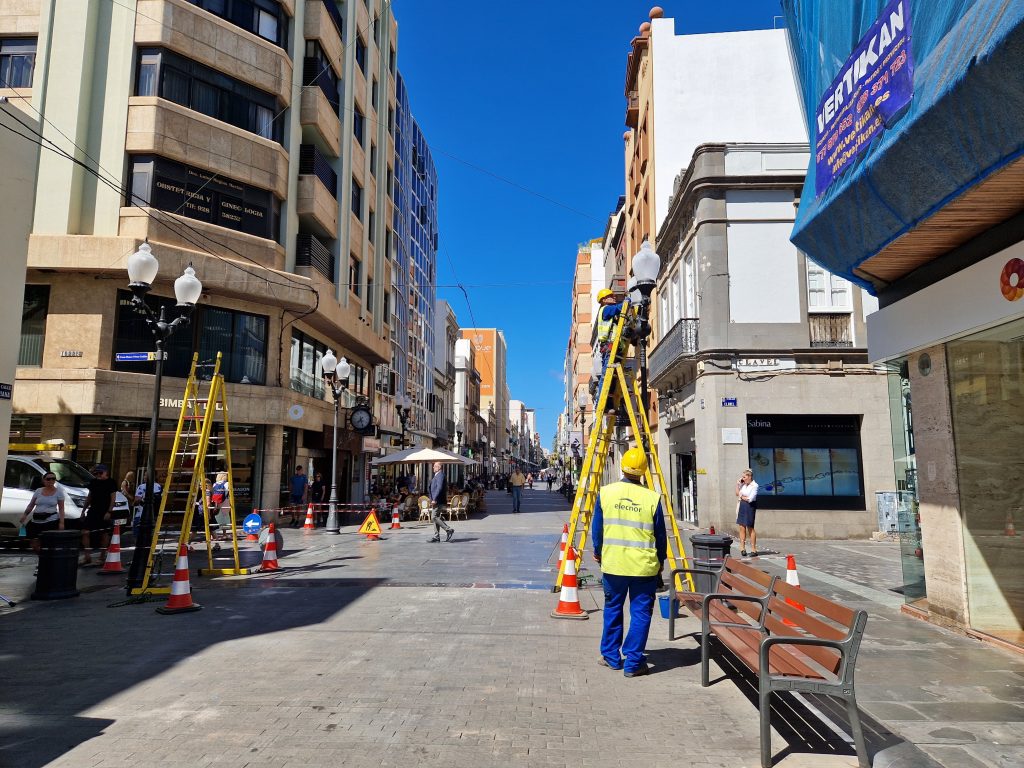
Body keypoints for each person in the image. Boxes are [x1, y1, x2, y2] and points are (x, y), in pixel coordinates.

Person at [592, 447, 666, 677]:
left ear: (623, 466)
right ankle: (633, 664)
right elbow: (660, 536)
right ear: (644, 470)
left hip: (614, 564)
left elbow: (597, 529)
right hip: (644, 567)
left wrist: (598, 551)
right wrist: (660, 561)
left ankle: (612, 657)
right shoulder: (652, 497)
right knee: (641, 613)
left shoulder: (606, 493)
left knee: (613, 609)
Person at [18, 472, 66, 565]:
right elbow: (31, 504)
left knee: (47, 544)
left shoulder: (59, 492)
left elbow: (61, 508)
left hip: (50, 520)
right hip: (36, 520)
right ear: (43, 480)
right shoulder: (38, 491)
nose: (51, 481)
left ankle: (45, 563)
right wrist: (25, 515)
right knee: (34, 544)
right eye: (48, 479)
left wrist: (61, 522)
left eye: (53, 479)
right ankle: (43, 559)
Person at [79, 464, 117, 565]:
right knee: (85, 532)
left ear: (106, 472)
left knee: (104, 533)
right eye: (96, 473)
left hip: (104, 511)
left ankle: (102, 557)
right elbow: (89, 497)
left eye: (101, 473)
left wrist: (109, 511)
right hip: (93, 510)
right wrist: (83, 510)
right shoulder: (93, 482)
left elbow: (113, 498)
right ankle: (87, 556)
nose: (98, 475)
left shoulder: (111, 482)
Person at [595, 288, 625, 375]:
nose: (614, 297)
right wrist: (627, 300)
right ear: (603, 300)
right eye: (611, 296)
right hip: (609, 346)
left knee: (613, 374)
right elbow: (619, 308)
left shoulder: (611, 313)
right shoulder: (606, 309)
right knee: (607, 374)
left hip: (614, 346)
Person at [427, 461, 454, 542]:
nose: (433, 467)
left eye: (434, 466)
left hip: (438, 500)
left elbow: (439, 488)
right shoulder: (437, 475)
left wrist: (434, 499)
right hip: (436, 500)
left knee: (434, 517)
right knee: (436, 517)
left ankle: (448, 529)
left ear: (439, 467)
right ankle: (436, 536)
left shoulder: (440, 475)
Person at [736, 468, 759, 557]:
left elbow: (750, 499)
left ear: (749, 477)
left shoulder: (755, 485)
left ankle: (753, 549)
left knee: (750, 527)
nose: (743, 478)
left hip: (750, 506)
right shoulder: (743, 485)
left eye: (744, 477)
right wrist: (737, 484)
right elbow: (737, 493)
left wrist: (742, 496)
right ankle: (742, 547)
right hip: (742, 505)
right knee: (742, 527)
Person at [133, 473, 163, 542]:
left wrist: (133, 502)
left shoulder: (142, 486)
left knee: (137, 534)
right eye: (144, 474)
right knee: (151, 535)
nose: (144, 476)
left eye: (146, 475)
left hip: (141, 514)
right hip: (154, 514)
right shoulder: (159, 486)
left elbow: (137, 500)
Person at [209, 472, 231, 538]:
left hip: (216, 503)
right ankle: (224, 534)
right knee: (225, 518)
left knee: (216, 517)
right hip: (225, 502)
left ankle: (212, 535)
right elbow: (228, 492)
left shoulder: (215, 484)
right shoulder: (227, 483)